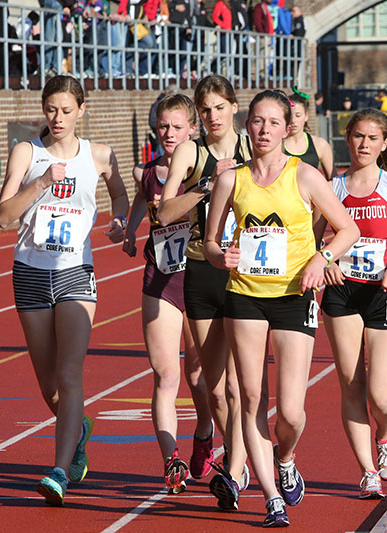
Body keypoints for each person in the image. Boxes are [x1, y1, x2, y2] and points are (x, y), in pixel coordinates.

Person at [203, 90, 359, 527]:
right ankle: (271, 496)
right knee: (250, 397)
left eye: (273, 122)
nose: (264, 130)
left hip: (294, 295)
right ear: (247, 126)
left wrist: (320, 259)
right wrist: (220, 257)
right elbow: (212, 241)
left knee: (290, 412)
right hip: (245, 295)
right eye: (257, 121)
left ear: (288, 127)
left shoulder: (305, 175)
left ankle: (284, 456)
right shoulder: (231, 179)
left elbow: (347, 229)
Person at [0, 75, 129, 506]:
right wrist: (40, 184)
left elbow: (121, 197)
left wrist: (121, 222)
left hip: (75, 272)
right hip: (30, 272)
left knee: (71, 376)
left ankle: (58, 470)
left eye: (67, 110)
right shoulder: (27, 153)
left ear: (81, 111)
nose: (58, 118)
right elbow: (2, 216)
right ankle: (80, 431)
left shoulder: (100, 155)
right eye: (51, 109)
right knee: (49, 386)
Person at [156, 76, 251, 511]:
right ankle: (234, 451)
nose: (213, 116)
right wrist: (208, 187)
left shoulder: (254, 147)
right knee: (214, 391)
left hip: (249, 274)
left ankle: (238, 465)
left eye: (219, 107)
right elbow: (164, 211)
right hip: (200, 267)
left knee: (241, 385)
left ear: (234, 107)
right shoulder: (190, 153)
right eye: (205, 109)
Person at [318, 108, 387, 499]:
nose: (364, 144)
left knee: (381, 395)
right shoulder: (332, 187)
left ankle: (386, 433)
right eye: (358, 137)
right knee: (351, 384)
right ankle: (367, 472)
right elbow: (314, 243)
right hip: (342, 292)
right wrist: (325, 262)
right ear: (348, 138)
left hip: (384, 291)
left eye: (372, 138)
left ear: (383, 143)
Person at [121, 94, 215, 495]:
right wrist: (128, 231)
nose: (170, 134)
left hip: (197, 278)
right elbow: (143, 201)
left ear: (193, 128)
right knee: (165, 374)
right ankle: (170, 459)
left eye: (178, 127)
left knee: (197, 375)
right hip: (159, 279)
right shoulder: (149, 172)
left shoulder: (208, 171)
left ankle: (206, 430)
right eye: (163, 127)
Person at [284, 91, 336, 179]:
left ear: (306, 116)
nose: (293, 121)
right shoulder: (276, 144)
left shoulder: (319, 144)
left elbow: (334, 181)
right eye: (290, 116)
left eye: (298, 115)